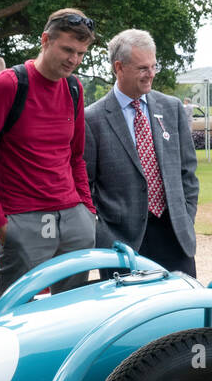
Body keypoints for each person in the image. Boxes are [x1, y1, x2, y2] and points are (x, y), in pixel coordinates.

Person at [0, 8, 97, 296]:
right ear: (45, 40)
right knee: (13, 319)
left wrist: (87, 213)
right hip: (23, 219)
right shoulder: (8, 85)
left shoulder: (74, 87)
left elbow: (75, 157)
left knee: (71, 312)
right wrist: (2, 228)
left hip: (74, 219)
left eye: (81, 53)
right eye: (67, 49)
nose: (74, 60)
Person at [85, 28, 199, 275]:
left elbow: (187, 171)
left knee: (182, 311)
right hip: (123, 245)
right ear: (119, 67)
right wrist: (103, 234)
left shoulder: (172, 108)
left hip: (175, 237)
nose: (150, 75)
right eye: (142, 69)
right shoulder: (92, 119)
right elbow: (85, 186)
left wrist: (186, 217)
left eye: (153, 66)